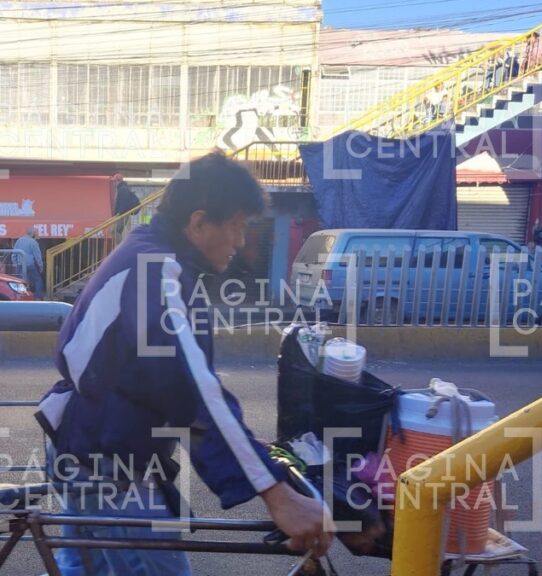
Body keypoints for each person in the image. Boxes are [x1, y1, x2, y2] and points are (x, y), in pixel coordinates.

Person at [35, 152, 332, 575]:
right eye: (237, 226)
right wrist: (275, 492)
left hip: (88, 450)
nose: (241, 241)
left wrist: (252, 451)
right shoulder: (158, 272)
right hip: (109, 470)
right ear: (198, 223)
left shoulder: (146, 253)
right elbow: (194, 390)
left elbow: (173, 389)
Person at [12, 226, 44, 298]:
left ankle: (22, 296)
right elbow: (37, 256)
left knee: (21, 281)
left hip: (20, 264)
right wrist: (41, 266)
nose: (37, 235)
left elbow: (14, 253)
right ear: (33, 234)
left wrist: (15, 263)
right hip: (30, 265)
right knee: (38, 280)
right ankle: (38, 296)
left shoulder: (19, 240)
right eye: (36, 233)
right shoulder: (34, 242)